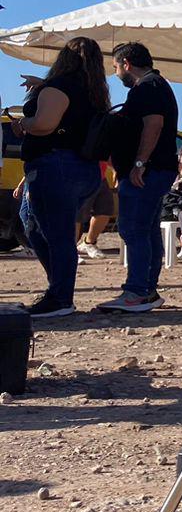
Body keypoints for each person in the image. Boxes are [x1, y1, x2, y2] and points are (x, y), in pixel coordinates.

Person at [14, 37, 108, 318]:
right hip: (83, 168)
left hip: (54, 165)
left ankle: (60, 296)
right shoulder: (94, 92)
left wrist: (23, 124)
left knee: (53, 232)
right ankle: (58, 287)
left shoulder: (58, 88)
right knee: (35, 224)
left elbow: (44, 125)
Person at [96, 43, 180, 313]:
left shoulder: (148, 87)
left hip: (148, 171)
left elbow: (153, 125)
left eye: (116, 67)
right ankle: (147, 289)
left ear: (127, 64)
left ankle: (137, 291)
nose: (116, 73)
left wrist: (139, 163)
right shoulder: (154, 86)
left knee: (134, 229)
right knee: (146, 229)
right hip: (155, 170)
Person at [76, 167, 115, 259]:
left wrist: (115, 169)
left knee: (105, 211)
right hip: (78, 175)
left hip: (100, 175)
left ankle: (89, 243)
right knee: (76, 216)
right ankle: (70, 252)